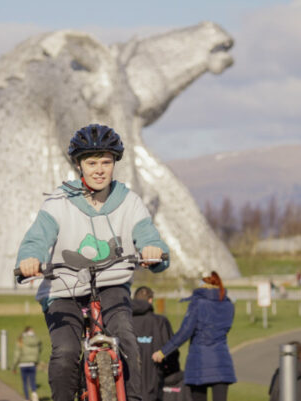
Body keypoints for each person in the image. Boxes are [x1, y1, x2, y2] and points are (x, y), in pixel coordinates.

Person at [15, 124, 170, 401]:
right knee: (65, 353)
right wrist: (31, 259)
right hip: (64, 290)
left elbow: (148, 234)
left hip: (112, 286)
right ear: (79, 165)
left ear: (114, 164)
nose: (99, 169)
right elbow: (38, 238)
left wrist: (153, 250)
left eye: (106, 162)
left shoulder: (129, 202)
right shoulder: (58, 201)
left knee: (126, 338)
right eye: (92, 162)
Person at [152, 272, 235, 401]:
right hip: (222, 363)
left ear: (203, 286)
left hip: (199, 364)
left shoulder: (197, 304)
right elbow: (226, 329)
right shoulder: (229, 305)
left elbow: (185, 332)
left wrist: (163, 352)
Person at [132, 286, 180, 401]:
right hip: (154, 384)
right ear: (150, 300)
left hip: (128, 385)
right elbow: (171, 351)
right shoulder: (160, 321)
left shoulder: (125, 320)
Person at [12, 326, 42, 401]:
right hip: (32, 363)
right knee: (33, 380)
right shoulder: (36, 339)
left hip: (23, 364)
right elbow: (40, 349)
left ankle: (27, 398)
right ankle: (34, 393)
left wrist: (14, 367)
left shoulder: (21, 340)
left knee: (25, 382)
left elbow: (17, 355)